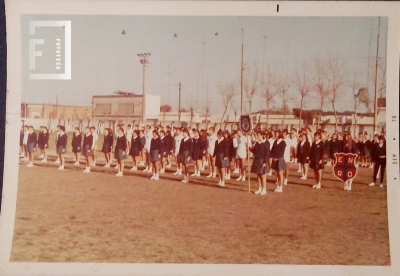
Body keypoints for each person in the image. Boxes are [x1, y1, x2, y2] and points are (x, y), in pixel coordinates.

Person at [250, 131, 270, 195]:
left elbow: (267, 153)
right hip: (257, 160)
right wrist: (248, 147)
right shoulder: (257, 143)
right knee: (258, 175)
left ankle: (264, 189)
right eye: (257, 135)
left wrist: (265, 162)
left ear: (263, 136)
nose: (257, 136)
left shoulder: (266, 143)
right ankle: (260, 188)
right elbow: (254, 151)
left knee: (263, 175)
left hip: (262, 160)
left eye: (258, 135)